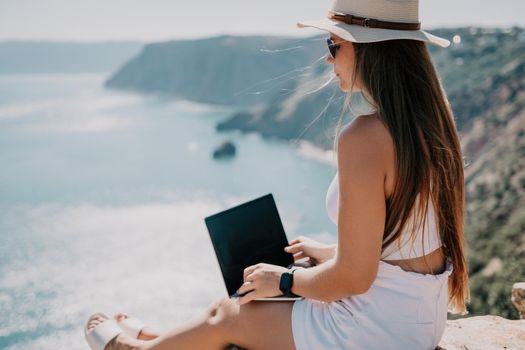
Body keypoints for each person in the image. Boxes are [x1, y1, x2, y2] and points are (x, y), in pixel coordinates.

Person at [84, 0, 470, 349]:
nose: (328, 60)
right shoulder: (431, 123)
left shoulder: (365, 138)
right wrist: (332, 253)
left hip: (376, 332)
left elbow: (354, 279)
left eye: (333, 46)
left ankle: (137, 348)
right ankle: (160, 337)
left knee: (232, 310)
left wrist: (282, 281)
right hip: (418, 321)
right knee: (265, 290)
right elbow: (408, 242)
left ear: (370, 50)